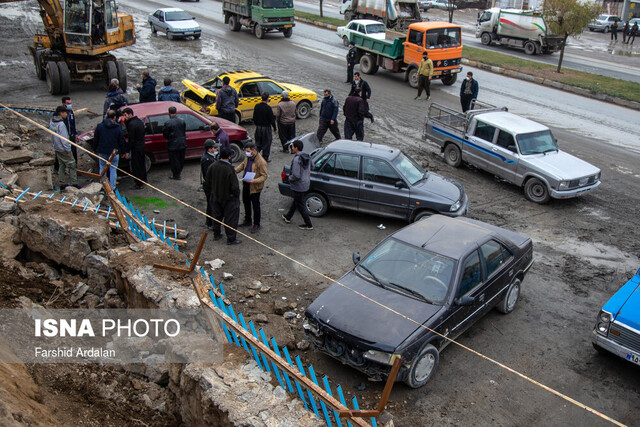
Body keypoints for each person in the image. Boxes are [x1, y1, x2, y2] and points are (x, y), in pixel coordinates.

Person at [205, 147, 241, 245]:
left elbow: (207, 181)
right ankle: (231, 238)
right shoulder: (230, 169)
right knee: (231, 219)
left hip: (215, 196)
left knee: (216, 216)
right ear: (229, 157)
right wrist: (236, 196)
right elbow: (235, 187)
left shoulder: (213, 166)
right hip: (229, 198)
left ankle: (216, 234)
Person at [235, 142, 268, 233]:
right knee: (246, 202)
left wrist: (254, 180)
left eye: (248, 151)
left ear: (254, 150)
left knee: (255, 205)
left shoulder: (261, 161)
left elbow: (264, 176)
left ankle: (256, 224)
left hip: (255, 187)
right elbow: (243, 165)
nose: (247, 153)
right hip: (246, 183)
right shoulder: (248, 157)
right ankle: (248, 220)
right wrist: (235, 171)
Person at [282, 140, 313, 230]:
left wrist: (289, 178)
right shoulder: (307, 156)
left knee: (300, 204)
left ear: (296, 148)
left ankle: (308, 224)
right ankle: (288, 217)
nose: (292, 148)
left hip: (298, 185)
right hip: (306, 183)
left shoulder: (297, 159)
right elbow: (313, 166)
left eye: (292, 146)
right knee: (297, 200)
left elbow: (296, 175)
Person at [93, 109, 127, 190]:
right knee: (113, 170)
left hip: (102, 151)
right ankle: (112, 187)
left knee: (102, 168)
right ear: (114, 117)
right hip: (114, 153)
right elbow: (121, 141)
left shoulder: (100, 126)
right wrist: (123, 151)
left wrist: (94, 149)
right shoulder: (117, 127)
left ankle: (103, 186)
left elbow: (96, 139)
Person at [50, 106, 79, 190]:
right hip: (63, 148)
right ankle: (74, 183)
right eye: (65, 112)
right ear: (61, 113)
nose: (66, 114)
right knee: (72, 165)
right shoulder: (61, 124)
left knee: (61, 165)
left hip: (57, 147)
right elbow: (64, 139)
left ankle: (62, 182)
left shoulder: (52, 121)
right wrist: (68, 150)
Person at [122, 107, 147, 189]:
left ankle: (138, 183)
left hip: (136, 148)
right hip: (141, 146)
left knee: (136, 166)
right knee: (141, 164)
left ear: (130, 114)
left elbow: (131, 139)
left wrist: (127, 151)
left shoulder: (132, 125)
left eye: (125, 115)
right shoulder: (139, 121)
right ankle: (144, 179)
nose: (124, 117)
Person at [162, 106, 187, 180]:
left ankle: (176, 174)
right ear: (176, 112)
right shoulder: (182, 121)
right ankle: (178, 172)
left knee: (174, 160)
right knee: (181, 159)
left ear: (169, 113)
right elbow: (183, 130)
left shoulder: (168, 123)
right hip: (182, 143)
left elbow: (165, 134)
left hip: (173, 144)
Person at [200, 139, 220, 229]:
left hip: (212, 184)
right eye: (215, 147)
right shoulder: (207, 159)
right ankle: (210, 223)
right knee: (211, 203)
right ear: (209, 149)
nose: (216, 149)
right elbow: (208, 175)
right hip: (210, 185)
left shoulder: (212, 157)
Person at [253, 92, 277, 162]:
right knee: (267, 143)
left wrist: (257, 124)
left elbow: (254, 117)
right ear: (267, 99)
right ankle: (264, 158)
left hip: (258, 128)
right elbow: (272, 119)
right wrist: (275, 128)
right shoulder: (268, 108)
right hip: (266, 128)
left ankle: (254, 155)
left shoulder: (257, 106)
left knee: (258, 143)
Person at [61, 96, 78, 164]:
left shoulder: (71, 112)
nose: (69, 105)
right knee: (62, 152)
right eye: (68, 103)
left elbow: (73, 124)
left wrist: (75, 134)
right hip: (63, 136)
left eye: (70, 103)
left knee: (74, 152)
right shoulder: (59, 113)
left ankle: (75, 166)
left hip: (71, 135)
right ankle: (58, 167)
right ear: (63, 104)